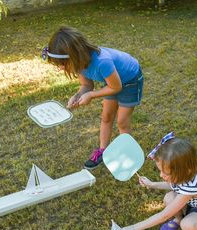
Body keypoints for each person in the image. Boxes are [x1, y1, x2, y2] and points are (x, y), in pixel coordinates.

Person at [42, 26, 143, 169]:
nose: (61, 68)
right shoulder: (78, 63)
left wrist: (91, 95)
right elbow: (86, 85)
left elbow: (116, 87)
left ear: (74, 55)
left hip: (130, 80)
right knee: (106, 117)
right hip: (112, 82)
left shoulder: (102, 62)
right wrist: (78, 95)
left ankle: (128, 155)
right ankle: (103, 151)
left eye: (62, 64)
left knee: (122, 122)